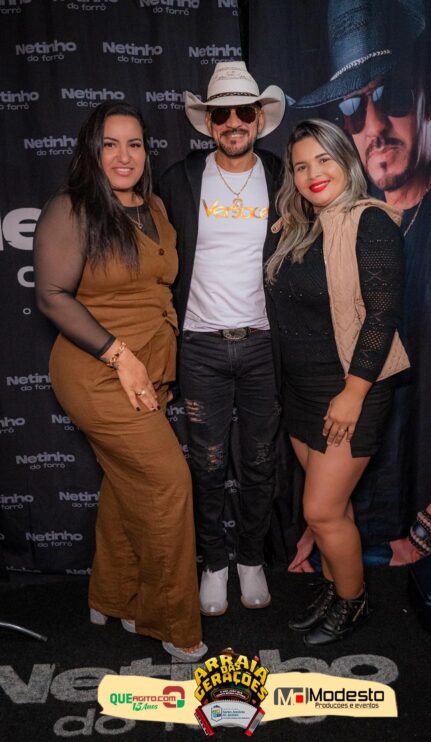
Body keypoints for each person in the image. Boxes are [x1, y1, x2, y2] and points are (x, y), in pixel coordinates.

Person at [291, 0, 431, 567]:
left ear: (429, 96)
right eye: (354, 108)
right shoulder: (355, 220)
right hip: (361, 515)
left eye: (394, 96)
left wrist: (427, 531)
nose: (375, 126)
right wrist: (323, 514)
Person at [33, 101, 207, 662]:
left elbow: (156, 290)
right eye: (110, 144)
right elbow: (51, 295)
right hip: (97, 371)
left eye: (134, 144)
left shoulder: (153, 206)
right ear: (92, 149)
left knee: (125, 485)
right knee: (167, 481)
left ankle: (113, 597)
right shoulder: (72, 207)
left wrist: (155, 362)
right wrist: (120, 356)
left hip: (149, 368)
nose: (124, 155)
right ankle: (171, 622)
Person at [265, 118, 408, 644]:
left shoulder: (371, 223)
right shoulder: (297, 229)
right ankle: (334, 587)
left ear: (346, 161)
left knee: (321, 510)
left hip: (352, 387)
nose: (313, 173)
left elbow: (382, 317)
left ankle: (353, 602)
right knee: (337, 507)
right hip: (301, 390)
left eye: (323, 160)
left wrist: (353, 393)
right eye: (301, 166)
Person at [159, 61, 284, 616]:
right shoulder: (180, 178)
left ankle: (251, 559)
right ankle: (213, 563)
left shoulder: (282, 175)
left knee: (259, 460)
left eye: (244, 112)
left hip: (263, 346)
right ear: (208, 122)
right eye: (222, 113)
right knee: (208, 465)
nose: (234, 122)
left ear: (259, 118)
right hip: (201, 347)